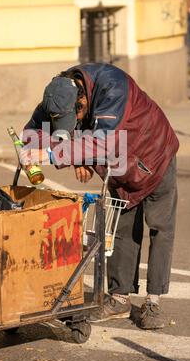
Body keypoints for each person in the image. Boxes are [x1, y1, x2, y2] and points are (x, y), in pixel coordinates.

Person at [20, 63, 179, 330]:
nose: (71, 122)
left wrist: (52, 154)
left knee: (160, 227)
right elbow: (32, 132)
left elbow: (103, 142)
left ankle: (153, 301)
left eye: (75, 114)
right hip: (118, 164)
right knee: (121, 228)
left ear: (82, 98)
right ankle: (119, 298)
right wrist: (32, 148)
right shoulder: (59, 92)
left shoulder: (113, 86)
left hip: (153, 155)